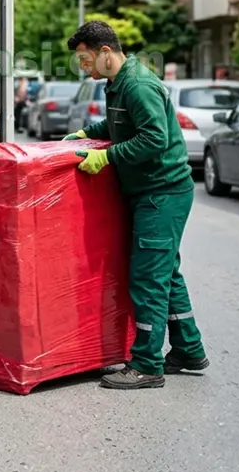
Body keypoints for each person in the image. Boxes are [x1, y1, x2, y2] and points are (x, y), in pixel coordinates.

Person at [65, 20, 208, 390]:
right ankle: (189, 349)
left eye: (85, 59)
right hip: (150, 192)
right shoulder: (118, 83)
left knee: (148, 278)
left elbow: (154, 139)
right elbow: (121, 125)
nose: (83, 67)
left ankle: (146, 364)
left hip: (162, 193)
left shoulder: (139, 84)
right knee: (166, 272)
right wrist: (87, 133)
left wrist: (107, 157)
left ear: (105, 52)